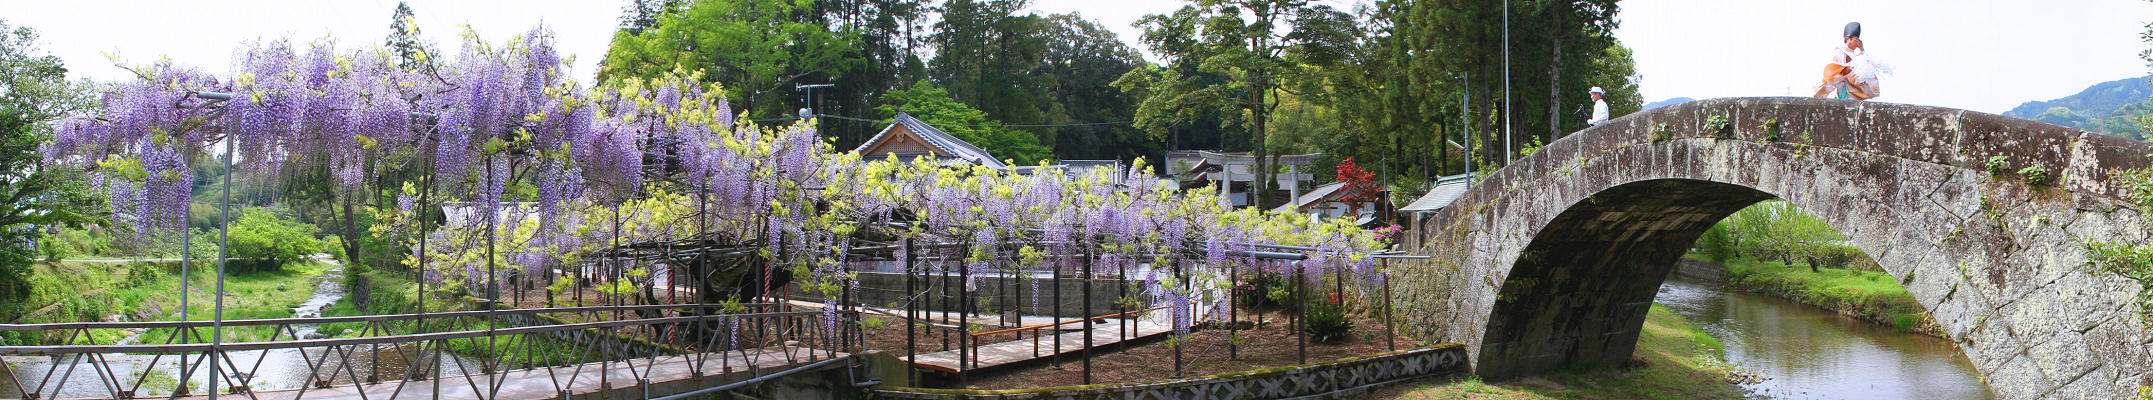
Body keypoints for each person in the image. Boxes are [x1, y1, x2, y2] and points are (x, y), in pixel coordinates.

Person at [1814, 22, 1890, 100]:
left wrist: (1862, 51)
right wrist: (1848, 69)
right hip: (1844, 90)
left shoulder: (1855, 55)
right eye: (1856, 40)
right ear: (1848, 39)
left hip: (1855, 94)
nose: (1857, 43)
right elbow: (1833, 71)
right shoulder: (1839, 51)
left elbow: (1866, 69)